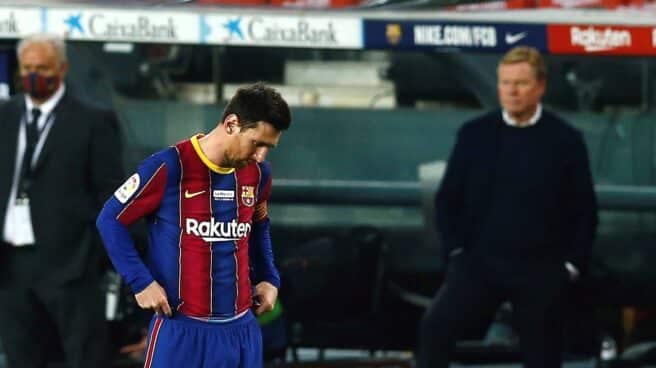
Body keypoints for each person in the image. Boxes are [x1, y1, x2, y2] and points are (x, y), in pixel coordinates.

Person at [417, 46, 598, 368]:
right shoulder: (475, 134)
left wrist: (569, 268)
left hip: (541, 269)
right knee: (434, 329)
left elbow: (584, 210)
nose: (511, 91)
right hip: (478, 265)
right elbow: (447, 199)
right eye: (505, 83)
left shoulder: (566, 139)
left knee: (543, 353)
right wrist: (456, 254)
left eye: (521, 83)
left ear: (540, 87)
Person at [96, 82, 291, 368]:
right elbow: (110, 220)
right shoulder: (169, 166)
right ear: (232, 124)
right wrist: (141, 281)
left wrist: (269, 278)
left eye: (268, 147)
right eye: (257, 143)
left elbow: (259, 226)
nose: (261, 155)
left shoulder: (259, 174)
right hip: (181, 328)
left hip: (240, 331)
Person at [0, 33, 124, 368]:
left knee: (81, 357)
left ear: (63, 68)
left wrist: (96, 259)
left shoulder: (93, 121)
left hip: (71, 266)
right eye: (28, 68)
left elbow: (109, 195)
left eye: (42, 67)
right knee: (21, 356)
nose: (34, 75)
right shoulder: (5, 116)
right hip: (11, 267)